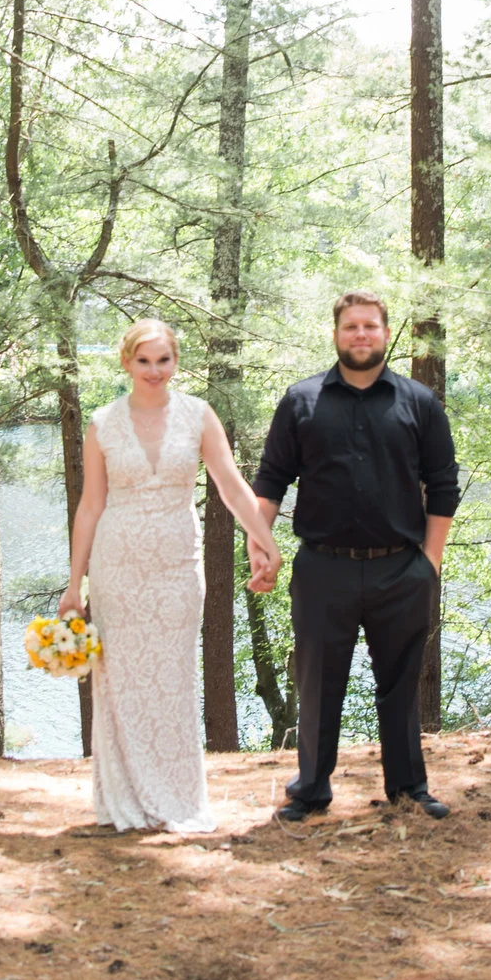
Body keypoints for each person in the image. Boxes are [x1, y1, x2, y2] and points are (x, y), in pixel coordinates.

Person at [60, 319, 281, 832]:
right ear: (126, 363)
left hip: (178, 567)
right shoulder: (102, 424)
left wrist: (264, 541)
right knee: (122, 683)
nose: (155, 371)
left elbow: (229, 484)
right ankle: (127, 799)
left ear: (176, 362)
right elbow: (91, 507)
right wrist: (75, 585)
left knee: (174, 680)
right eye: (144, 361)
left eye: (164, 360)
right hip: (118, 568)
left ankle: (178, 799)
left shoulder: (199, 417)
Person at [252, 289, 459, 822]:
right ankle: (311, 791)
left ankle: (408, 788)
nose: (361, 335)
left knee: (400, 684)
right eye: (351, 327)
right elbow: (271, 480)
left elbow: (442, 485)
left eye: (370, 326)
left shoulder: (419, 402)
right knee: (319, 685)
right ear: (336, 333)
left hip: (401, 569)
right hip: (324, 568)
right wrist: (262, 544)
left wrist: (429, 564)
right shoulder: (301, 401)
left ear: (386, 334)